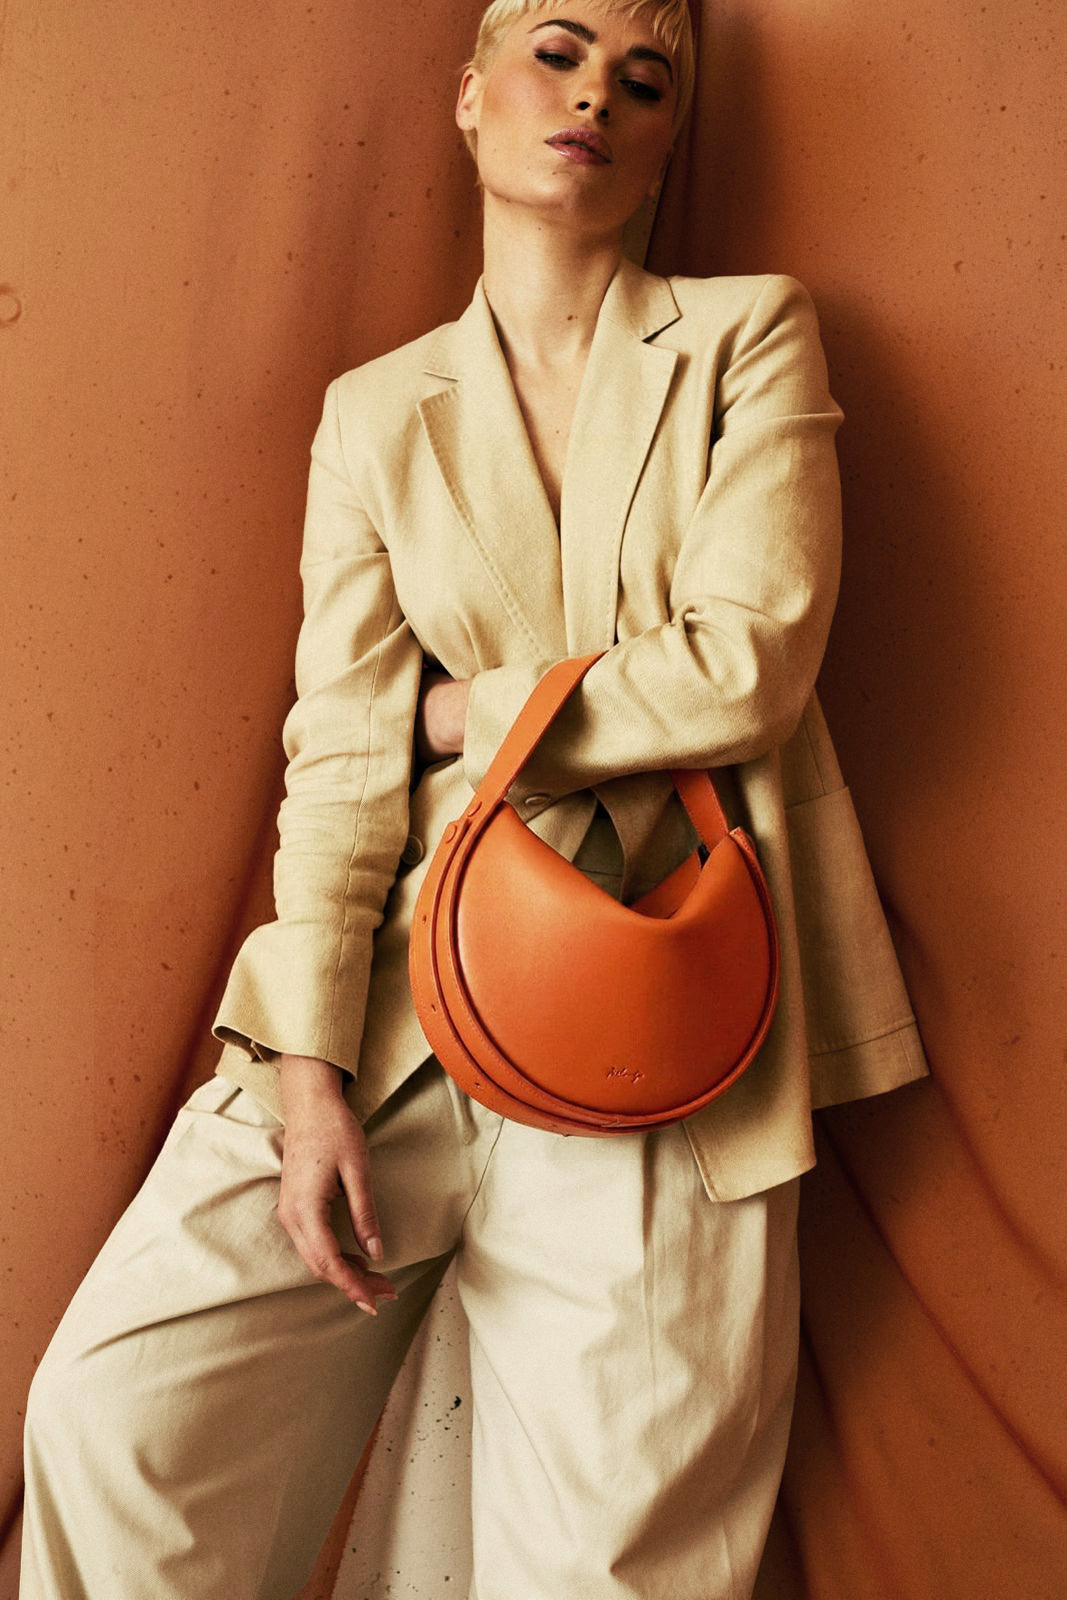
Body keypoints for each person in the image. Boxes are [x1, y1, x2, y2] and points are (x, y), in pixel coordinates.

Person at [20, 2, 927, 1597]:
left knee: (607, 1559)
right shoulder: (375, 413)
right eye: (558, 52)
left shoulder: (746, 337)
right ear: (469, 95)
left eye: (643, 80)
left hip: (664, 1010)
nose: (594, 97)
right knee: (115, 1419)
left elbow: (749, 666)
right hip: (399, 996)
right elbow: (344, 752)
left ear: (666, 144)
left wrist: (462, 711)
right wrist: (308, 1069)